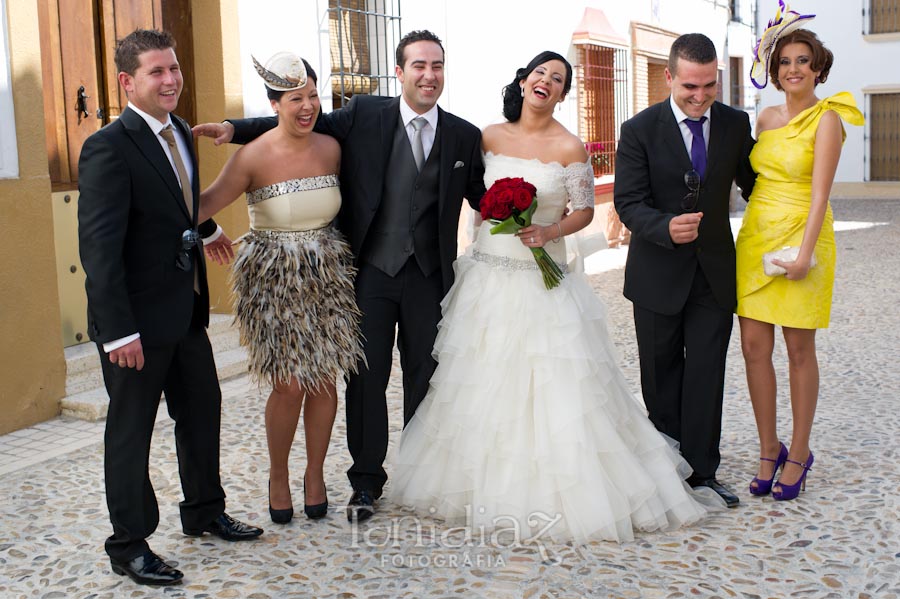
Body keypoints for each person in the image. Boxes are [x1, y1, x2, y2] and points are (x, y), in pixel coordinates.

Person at [389, 51, 722, 543]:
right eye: (540, 73)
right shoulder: (488, 137)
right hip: (487, 277)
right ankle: (476, 484)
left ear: (563, 94)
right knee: (480, 380)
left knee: (552, 386)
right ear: (523, 82)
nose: (547, 81)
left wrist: (549, 231)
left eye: (558, 79)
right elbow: (473, 197)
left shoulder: (570, 147)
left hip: (540, 281)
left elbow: (585, 212)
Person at [194, 30, 486, 522]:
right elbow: (300, 120)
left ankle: (419, 474)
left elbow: (483, 195)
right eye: (418, 65)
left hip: (428, 275)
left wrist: (524, 212)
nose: (428, 75)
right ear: (400, 71)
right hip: (367, 272)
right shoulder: (367, 116)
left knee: (424, 377)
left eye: (436, 66)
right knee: (363, 379)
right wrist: (234, 127)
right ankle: (366, 482)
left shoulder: (464, 134)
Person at [77, 29, 262, 588]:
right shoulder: (107, 146)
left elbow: (173, 200)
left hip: (185, 311)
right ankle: (128, 544)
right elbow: (100, 250)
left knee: (202, 412)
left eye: (175, 69)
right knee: (130, 433)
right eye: (157, 72)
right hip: (134, 323)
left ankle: (204, 511)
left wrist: (205, 229)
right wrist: (116, 334)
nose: (171, 79)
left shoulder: (180, 129)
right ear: (127, 81)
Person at [197, 54, 365, 523]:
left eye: (313, 96)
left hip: (328, 276)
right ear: (275, 104)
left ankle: (315, 474)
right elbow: (198, 203)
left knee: (325, 381)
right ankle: (277, 475)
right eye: (297, 99)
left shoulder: (332, 148)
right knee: (289, 386)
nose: (308, 106)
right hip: (273, 281)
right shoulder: (252, 156)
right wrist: (209, 231)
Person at [613, 33, 757, 508]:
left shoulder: (736, 123)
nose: (699, 97)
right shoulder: (638, 129)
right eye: (689, 87)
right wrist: (664, 226)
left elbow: (756, 182)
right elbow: (628, 201)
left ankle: (702, 473)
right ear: (669, 77)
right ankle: (665, 467)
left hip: (714, 273)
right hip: (656, 273)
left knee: (707, 374)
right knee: (660, 375)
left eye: (709, 86)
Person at [738, 10, 863, 500]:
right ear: (776, 70)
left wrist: (806, 255)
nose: (793, 69)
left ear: (818, 69)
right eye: (785, 61)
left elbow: (820, 195)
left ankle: (801, 451)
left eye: (803, 61)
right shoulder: (765, 118)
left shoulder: (827, 118)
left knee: (798, 350)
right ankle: (769, 447)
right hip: (757, 237)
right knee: (752, 348)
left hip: (803, 236)